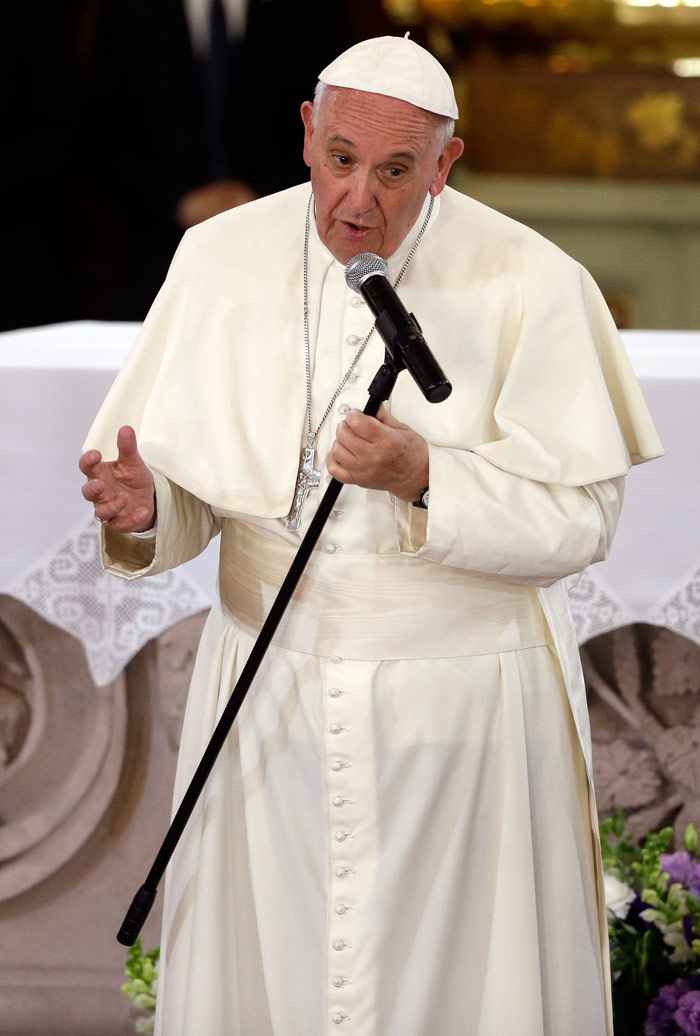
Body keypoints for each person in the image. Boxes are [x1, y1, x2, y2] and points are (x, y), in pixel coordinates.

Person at [80, 35, 663, 1036]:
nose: (358, 199)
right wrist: (152, 507)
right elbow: (204, 493)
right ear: (307, 133)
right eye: (341, 158)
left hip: (464, 712)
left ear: (446, 163)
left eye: (396, 171)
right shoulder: (218, 258)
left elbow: (580, 523)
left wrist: (425, 475)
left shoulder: (536, 280)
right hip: (264, 694)